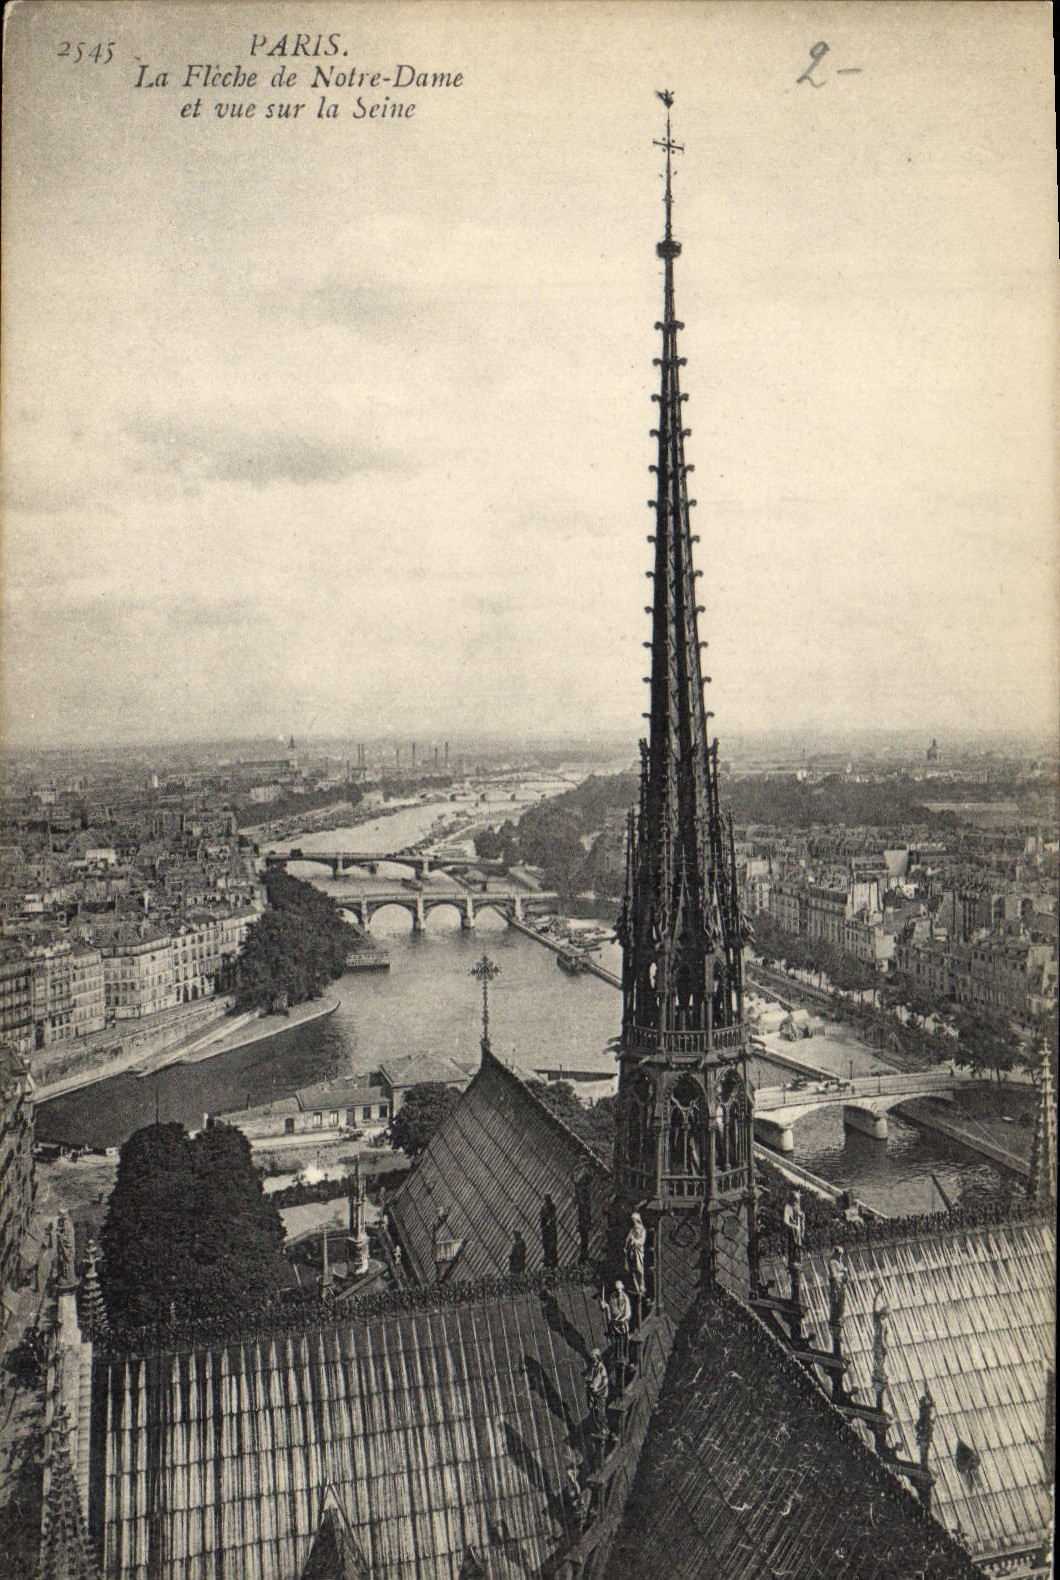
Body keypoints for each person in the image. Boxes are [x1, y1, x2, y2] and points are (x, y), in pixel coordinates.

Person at [584, 1349, 609, 1441]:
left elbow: (603, 1381)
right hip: (593, 1393)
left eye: (594, 1357)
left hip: (600, 1394)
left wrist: (597, 1388)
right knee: (594, 1411)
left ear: (598, 1357)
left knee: (600, 1413)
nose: (593, 1359)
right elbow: (591, 1376)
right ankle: (599, 1428)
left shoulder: (601, 1368)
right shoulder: (594, 1367)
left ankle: (604, 1429)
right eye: (592, 1358)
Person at [624, 1212, 647, 1301]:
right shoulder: (632, 1230)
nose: (634, 1222)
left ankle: (641, 1285)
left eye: (635, 1220)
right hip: (632, 1252)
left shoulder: (642, 1230)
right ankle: (636, 1287)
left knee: (639, 1269)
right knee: (632, 1269)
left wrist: (635, 1241)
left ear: (638, 1220)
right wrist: (625, 1247)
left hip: (638, 1252)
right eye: (632, 1220)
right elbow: (627, 1239)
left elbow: (642, 1241)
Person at [575, 1172, 593, 1265]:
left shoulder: (583, 1192)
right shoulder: (583, 1192)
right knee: (584, 1238)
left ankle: (583, 1256)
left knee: (584, 1238)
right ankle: (583, 1256)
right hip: (583, 1220)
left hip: (584, 1219)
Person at [540, 1194, 559, 1270]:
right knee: (546, 1244)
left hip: (550, 1228)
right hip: (545, 1229)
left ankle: (552, 1261)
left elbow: (553, 1217)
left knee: (551, 1244)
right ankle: (547, 1260)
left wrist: (549, 1222)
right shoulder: (544, 1206)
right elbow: (542, 1216)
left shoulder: (551, 1206)